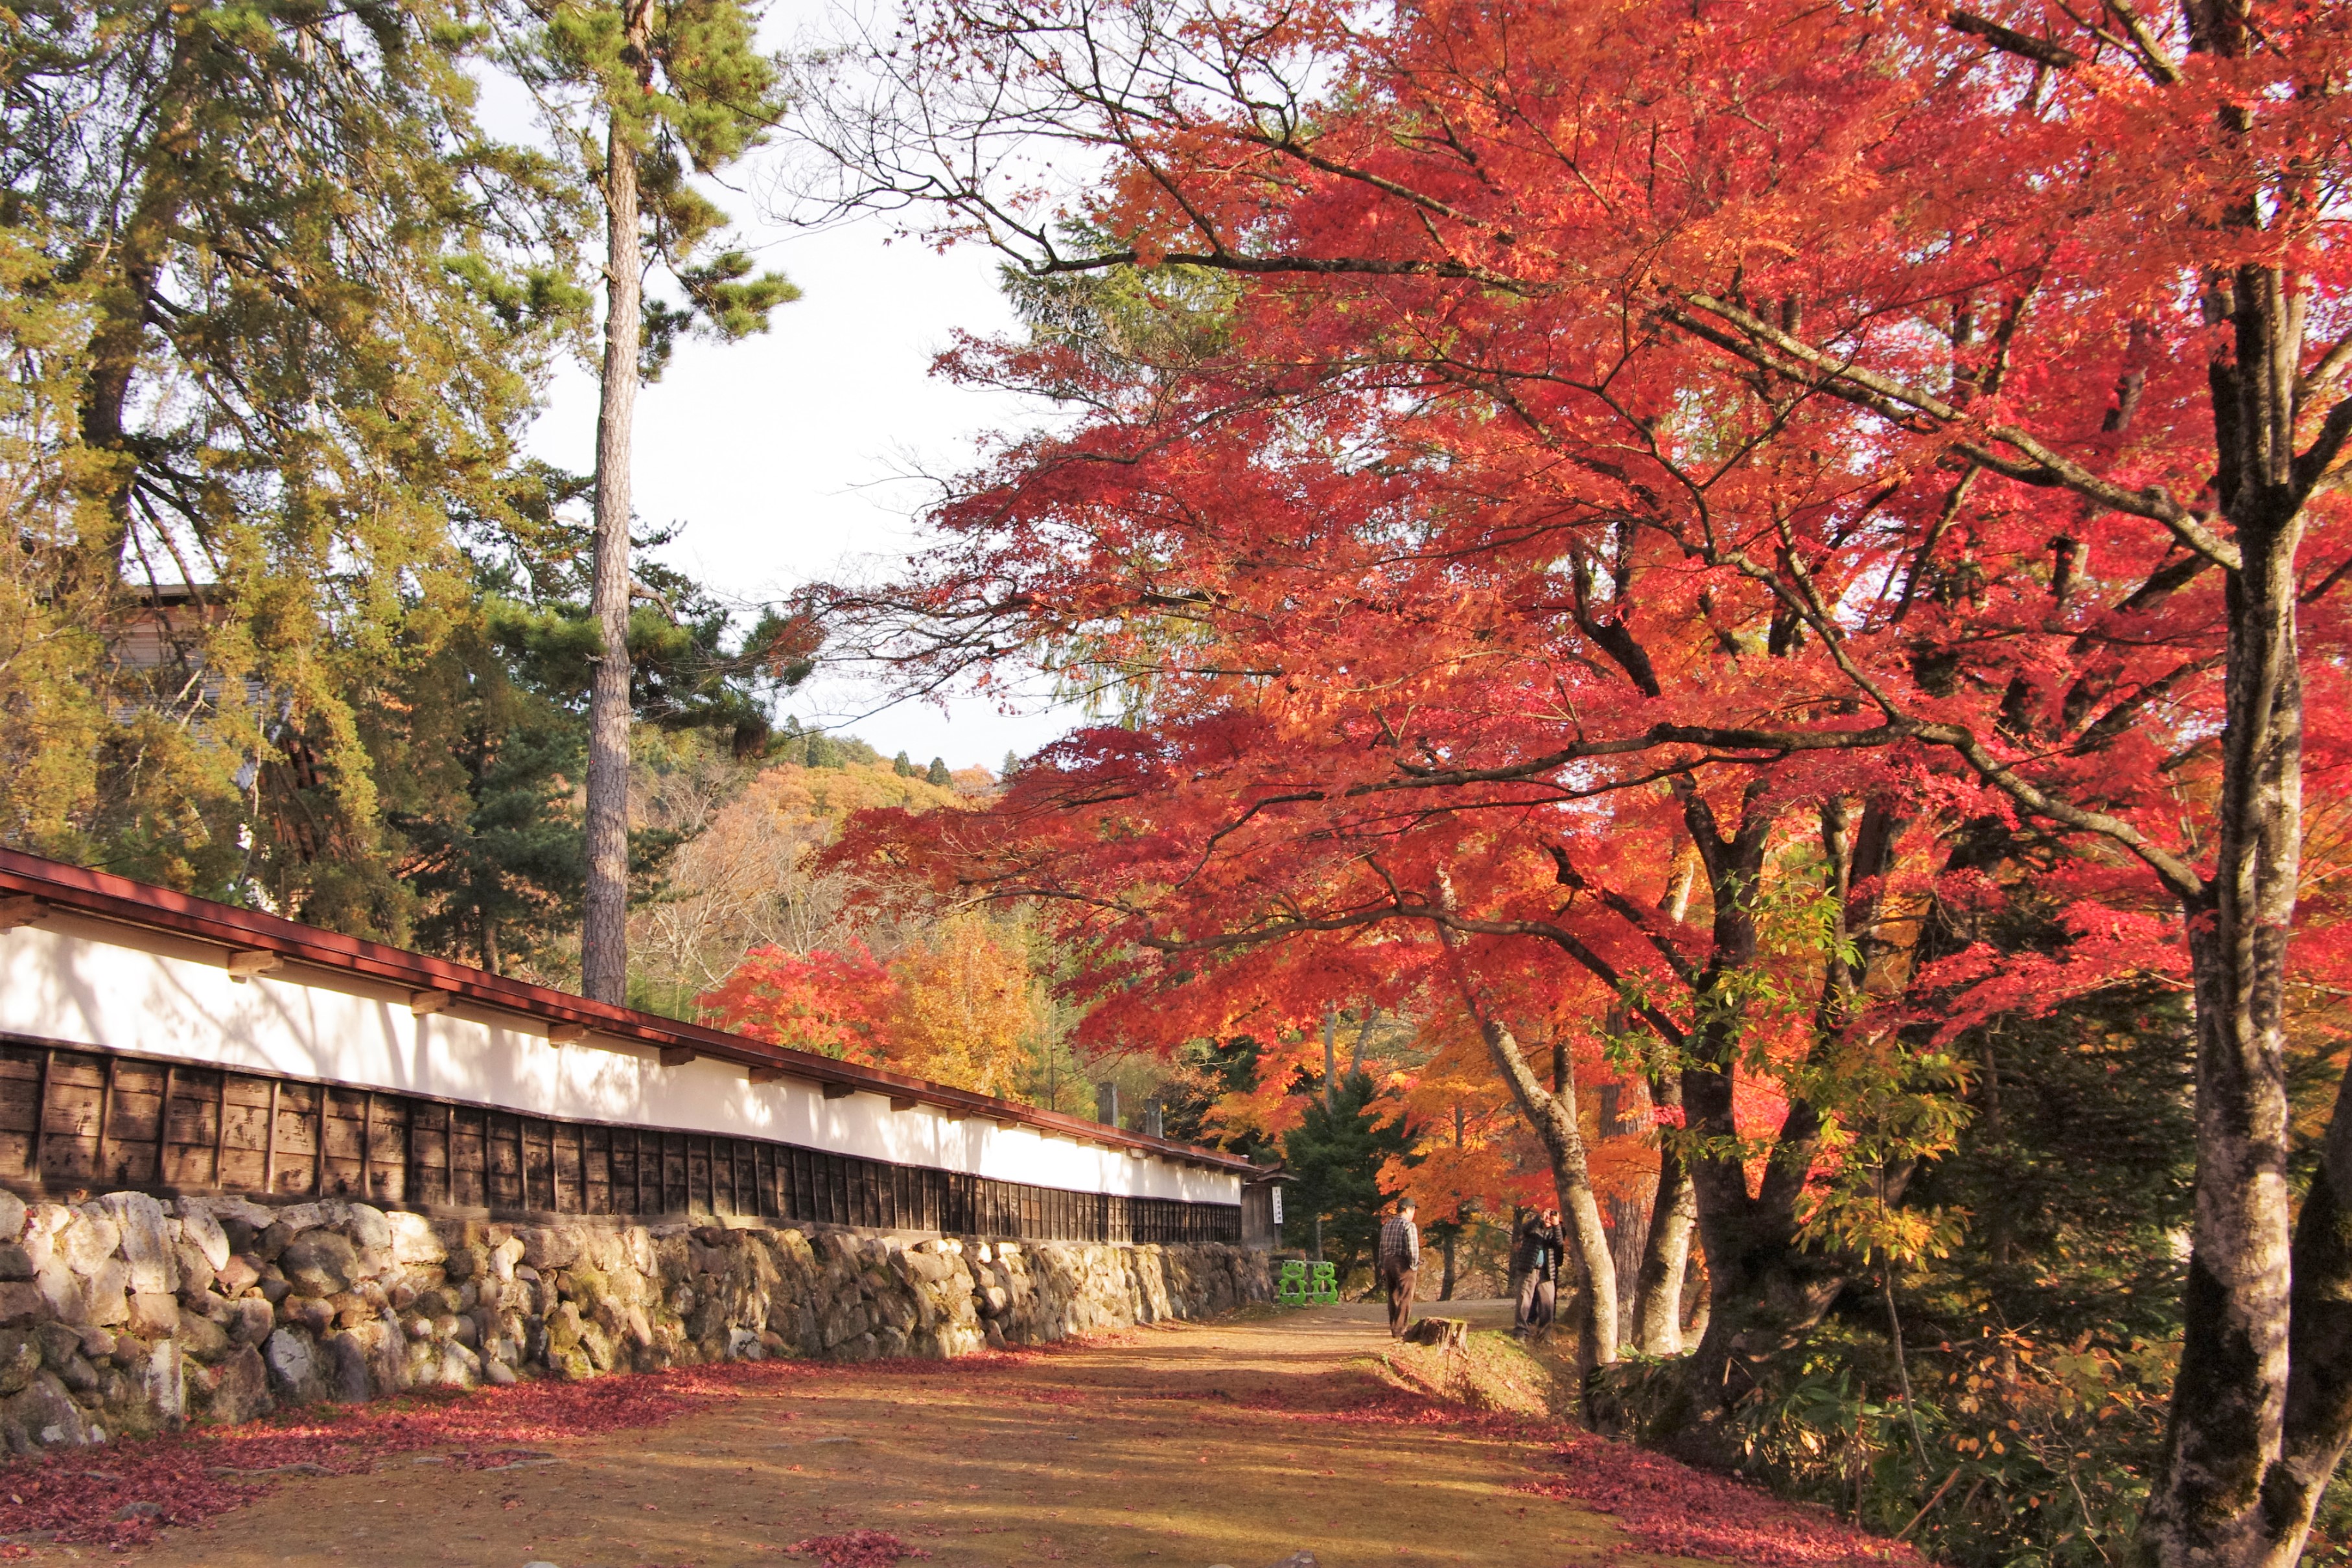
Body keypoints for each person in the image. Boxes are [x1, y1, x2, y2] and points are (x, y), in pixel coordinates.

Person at [1512, 1206, 1563, 1341]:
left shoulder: (1555, 1231)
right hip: (1529, 1269)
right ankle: (1520, 1333)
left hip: (1547, 1271)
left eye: (1550, 1217)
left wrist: (1556, 1224)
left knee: (1548, 1303)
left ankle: (1545, 1335)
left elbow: (1559, 1243)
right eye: (1547, 1216)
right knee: (1524, 1300)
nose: (1548, 1219)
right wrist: (1539, 1218)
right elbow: (1525, 1229)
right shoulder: (1534, 1227)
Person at [1377, 1196, 1421, 1339]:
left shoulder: (1387, 1226)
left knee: (1393, 1296)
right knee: (1406, 1296)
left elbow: (1381, 1249)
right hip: (1403, 1263)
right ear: (1408, 1209)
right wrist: (1414, 1265)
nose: (1413, 1213)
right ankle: (1401, 1330)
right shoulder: (1409, 1226)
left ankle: (1394, 1328)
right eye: (1413, 1210)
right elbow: (1413, 1249)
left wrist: (1382, 1266)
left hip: (1387, 1262)